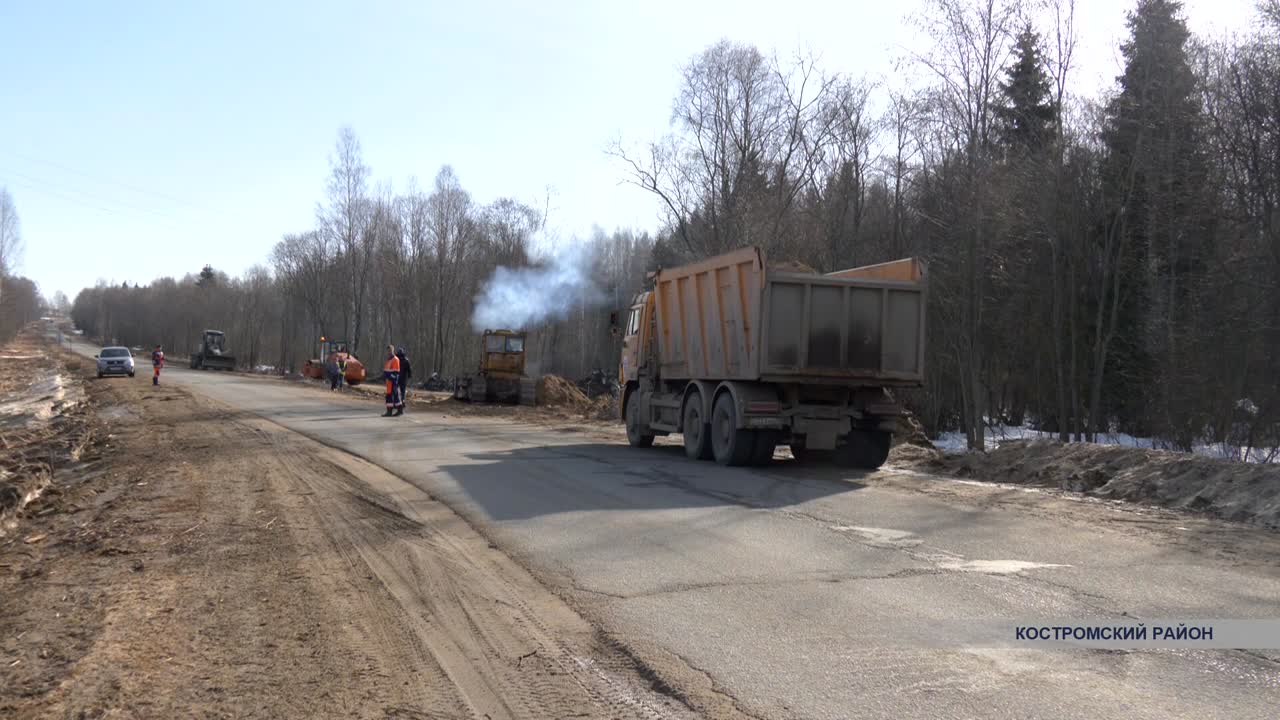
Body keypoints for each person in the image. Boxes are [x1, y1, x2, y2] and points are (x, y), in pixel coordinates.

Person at [382, 344, 401, 417]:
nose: (388, 352)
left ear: (393, 350)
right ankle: (397, 411)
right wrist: (384, 376)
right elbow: (386, 370)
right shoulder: (388, 360)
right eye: (388, 351)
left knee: (392, 396)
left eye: (390, 350)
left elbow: (396, 372)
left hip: (393, 381)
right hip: (388, 382)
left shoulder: (395, 359)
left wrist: (390, 377)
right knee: (393, 396)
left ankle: (391, 411)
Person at [394, 347, 411, 415]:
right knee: (402, 391)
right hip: (403, 378)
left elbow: (409, 369)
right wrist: (409, 376)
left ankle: (398, 403)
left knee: (397, 391)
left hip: (399, 377)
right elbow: (409, 370)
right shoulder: (405, 360)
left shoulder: (397, 359)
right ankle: (401, 402)